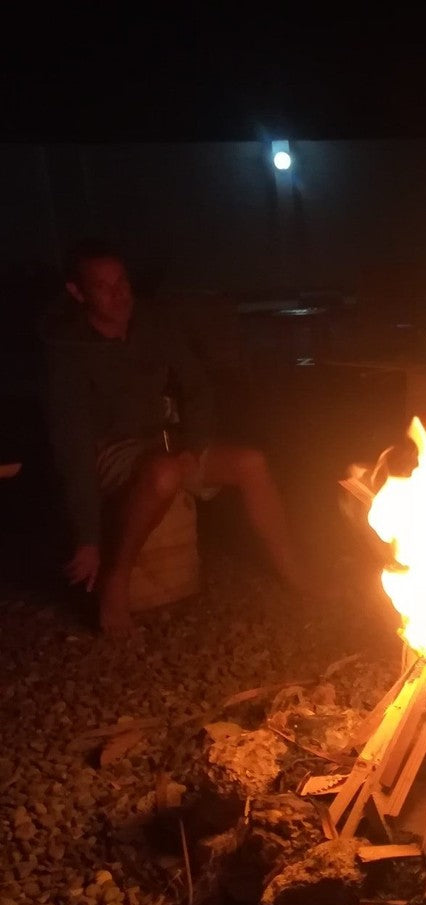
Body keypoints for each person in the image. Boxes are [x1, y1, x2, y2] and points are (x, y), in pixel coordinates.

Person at [41, 239, 319, 633]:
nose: (119, 294)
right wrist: (87, 538)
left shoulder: (151, 324)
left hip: (164, 441)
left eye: (122, 282)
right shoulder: (68, 353)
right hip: (110, 450)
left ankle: (295, 571)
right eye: (103, 287)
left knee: (250, 463)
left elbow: (197, 386)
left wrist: (195, 444)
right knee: (165, 473)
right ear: (78, 292)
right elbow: (72, 448)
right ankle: (115, 582)